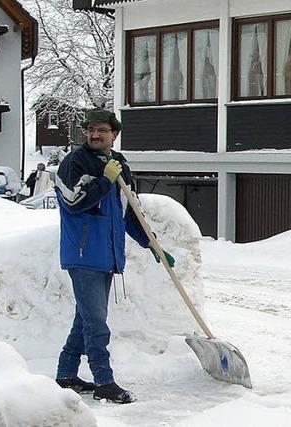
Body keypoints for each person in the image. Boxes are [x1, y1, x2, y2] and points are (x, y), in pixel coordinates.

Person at [54, 108, 175, 404]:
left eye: (102, 130)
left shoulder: (119, 163)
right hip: (82, 255)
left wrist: (152, 244)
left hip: (107, 256)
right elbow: (73, 202)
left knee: (85, 320)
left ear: (114, 134)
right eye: (91, 130)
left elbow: (129, 211)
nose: (95, 135)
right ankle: (104, 381)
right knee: (96, 322)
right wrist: (104, 181)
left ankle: (66, 375)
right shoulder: (74, 163)